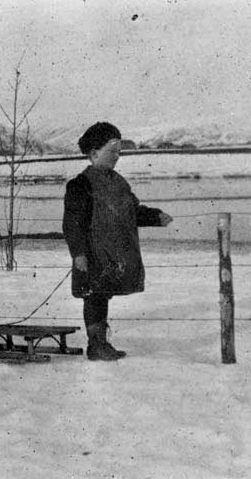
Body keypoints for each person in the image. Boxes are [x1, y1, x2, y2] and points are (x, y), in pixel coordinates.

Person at [63, 122, 173, 361]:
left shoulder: (119, 182)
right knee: (94, 296)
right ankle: (96, 346)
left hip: (113, 254)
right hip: (93, 253)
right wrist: (78, 254)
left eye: (118, 151)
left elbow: (132, 212)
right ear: (93, 154)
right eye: (111, 151)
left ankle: (101, 344)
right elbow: (73, 224)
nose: (117, 156)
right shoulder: (80, 185)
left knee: (102, 295)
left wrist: (155, 216)